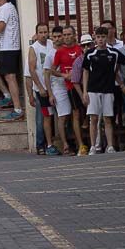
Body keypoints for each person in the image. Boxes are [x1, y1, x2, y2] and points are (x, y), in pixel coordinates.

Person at [82, 26, 125, 154]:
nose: (100, 39)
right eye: (98, 37)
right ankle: (92, 146)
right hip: (93, 90)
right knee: (94, 118)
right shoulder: (90, 53)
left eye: (103, 37)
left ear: (107, 38)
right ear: (95, 38)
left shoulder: (113, 53)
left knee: (108, 119)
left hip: (108, 90)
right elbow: (85, 72)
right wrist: (85, 91)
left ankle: (110, 146)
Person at [49, 26, 86, 155]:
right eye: (64, 35)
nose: (66, 37)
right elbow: (52, 70)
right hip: (70, 87)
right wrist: (64, 75)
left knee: (86, 115)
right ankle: (77, 144)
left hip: (84, 85)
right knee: (73, 115)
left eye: (69, 34)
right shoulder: (60, 52)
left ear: (74, 35)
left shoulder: (80, 49)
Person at [26, 23, 59, 156]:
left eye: (46, 32)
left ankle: (54, 143)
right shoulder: (34, 48)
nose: (44, 35)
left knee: (57, 116)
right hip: (42, 89)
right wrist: (39, 87)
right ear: (37, 33)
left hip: (54, 86)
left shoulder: (52, 44)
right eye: (41, 32)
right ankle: (42, 145)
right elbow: (32, 70)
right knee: (43, 117)